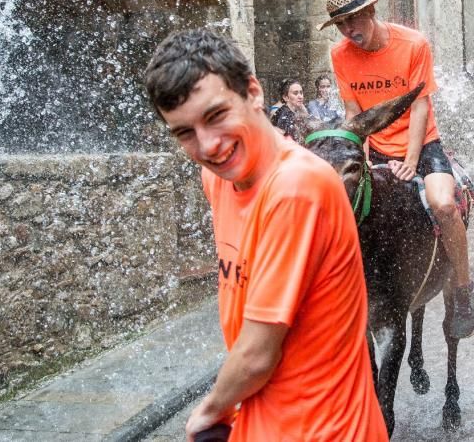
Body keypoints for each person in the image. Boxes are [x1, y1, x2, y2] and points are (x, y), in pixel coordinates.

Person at [144, 29, 387, 442]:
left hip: (325, 430)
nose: (209, 145)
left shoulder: (296, 186)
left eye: (216, 115)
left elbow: (257, 356)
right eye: (184, 133)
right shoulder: (218, 178)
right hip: (261, 421)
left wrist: (208, 409)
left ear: (253, 93)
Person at [319, 0, 474, 339]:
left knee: (442, 204)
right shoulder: (340, 55)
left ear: (371, 11)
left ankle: (464, 287)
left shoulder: (413, 44)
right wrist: (355, 159)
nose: (349, 30)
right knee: (345, 206)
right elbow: (352, 113)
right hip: (375, 147)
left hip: (422, 145)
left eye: (354, 20)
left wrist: (409, 158)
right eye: (341, 24)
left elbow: (421, 106)